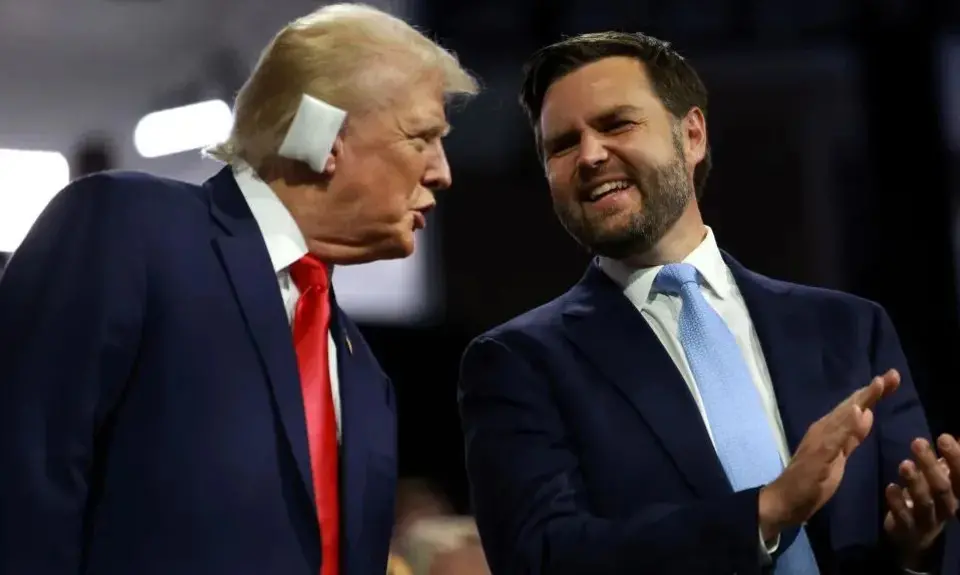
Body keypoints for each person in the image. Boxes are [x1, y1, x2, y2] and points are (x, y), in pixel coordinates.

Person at [0, 4, 477, 575]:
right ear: (324, 135)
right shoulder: (129, 228)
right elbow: (21, 477)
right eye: (422, 137)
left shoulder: (367, 378)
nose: (443, 172)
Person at [458, 31, 957, 574]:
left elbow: (919, 534)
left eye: (615, 124)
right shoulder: (517, 364)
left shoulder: (849, 328)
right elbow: (542, 558)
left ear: (691, 135)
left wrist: (920, 545)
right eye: (561, 145)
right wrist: (767, 511)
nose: (590, 155)